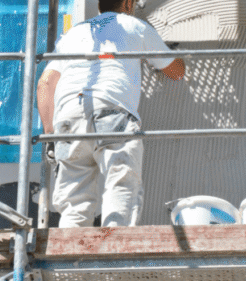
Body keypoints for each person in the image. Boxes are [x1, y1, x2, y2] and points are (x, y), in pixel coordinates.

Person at [36, 0, 185, 228]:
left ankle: (70, 248)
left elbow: (45, 84)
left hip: (68, 118)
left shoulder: (73, 34)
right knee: (121, 184)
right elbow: (176, 71)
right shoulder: (134, 26)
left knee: (74, 203)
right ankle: (115, 244)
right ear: (127, 3)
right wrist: (180, 58)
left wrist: (51, 136)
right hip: (111, 110)